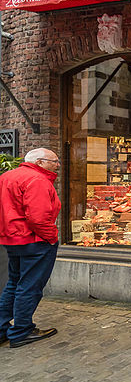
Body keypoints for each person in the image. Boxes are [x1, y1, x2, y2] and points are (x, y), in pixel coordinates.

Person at [0, 148, 61, 348]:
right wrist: (51, 237)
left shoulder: (7, 177)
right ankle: (22, 331)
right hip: (34, 240)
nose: (57, 165)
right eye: (54, 161)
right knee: (30, 286)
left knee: (14, 282)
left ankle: (2, 329)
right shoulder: (38, 180)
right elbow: (38, 217)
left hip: (12, 238)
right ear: (40, 162)